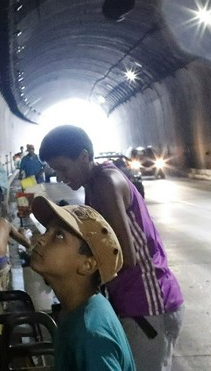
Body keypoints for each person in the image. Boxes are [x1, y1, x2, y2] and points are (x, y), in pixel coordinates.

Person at [39, 126, 183, 371]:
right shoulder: (94, 183)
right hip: (134, 303)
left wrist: (75, 276)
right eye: (55, 170)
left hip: (148, 304)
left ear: (84, 157)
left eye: (63, 168)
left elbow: (126, 257)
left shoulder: (106, 183)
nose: (60, 177)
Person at [29, 197, 136, 371]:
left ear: (88, 265)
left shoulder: (89, 333)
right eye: (47, 230)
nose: (41, 239)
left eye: (59, 235)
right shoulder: (77, 309)